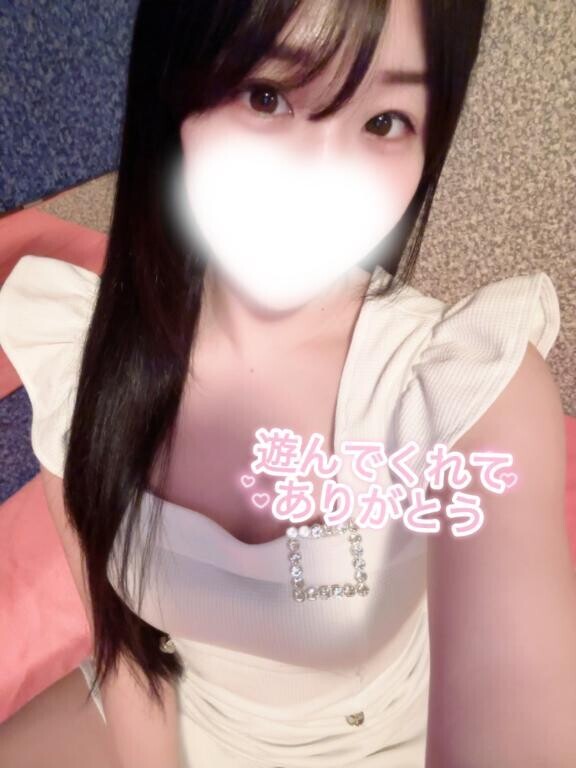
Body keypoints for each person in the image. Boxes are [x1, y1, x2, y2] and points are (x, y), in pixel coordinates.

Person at [2, 0, 575, 766]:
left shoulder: (464, 389)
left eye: (384, 122)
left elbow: (516, 703)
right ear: (175, 90)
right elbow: (132, 655)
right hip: (183, 704)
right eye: (267, 95)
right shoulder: (79, 347)